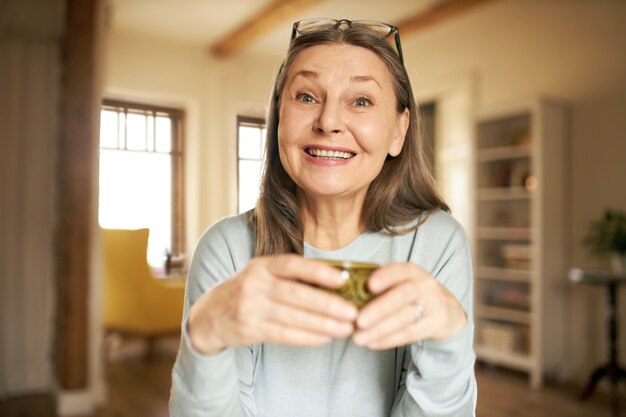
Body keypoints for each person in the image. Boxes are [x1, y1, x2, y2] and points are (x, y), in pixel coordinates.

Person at [170, 18, 476, 417]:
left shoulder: (438, 243)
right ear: (279, 118)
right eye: (307, 96)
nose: (328, 121)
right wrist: (204, 338)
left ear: (399, 131)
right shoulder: (226, 248)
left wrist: (449, 339)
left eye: (361, 100)